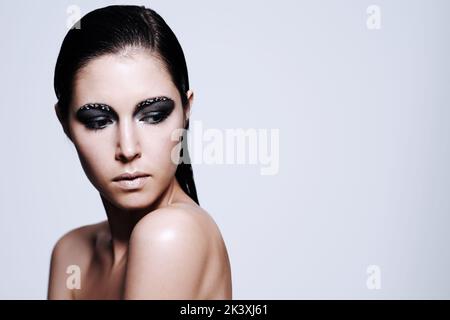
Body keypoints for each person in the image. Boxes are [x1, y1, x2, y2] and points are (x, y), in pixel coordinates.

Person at [47, 5, 232, 299]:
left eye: (153, 115)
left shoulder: (169, 235)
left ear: (186, 109)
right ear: (64, 122)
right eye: (98, 121)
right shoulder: (70, 253)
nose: (128, 149)